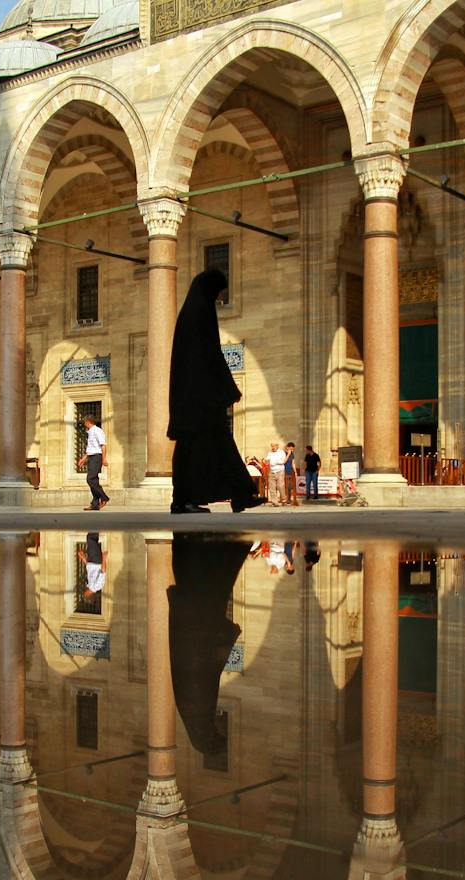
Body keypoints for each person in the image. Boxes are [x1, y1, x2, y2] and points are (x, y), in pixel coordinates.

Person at [167, 268, 265, 514]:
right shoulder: (199, 314)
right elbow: (209, 356)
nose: (221, 297)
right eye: (219, 291)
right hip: (198, 399)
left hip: (197, 398)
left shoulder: (194, 313)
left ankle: (240, 494)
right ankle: (184, 501)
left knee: (219, 444)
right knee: (197, 449)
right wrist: (227, 388)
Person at [168, 534, 249, 758]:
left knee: (209, 572)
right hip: (191, 617)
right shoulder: (191, 707)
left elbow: (207, 666)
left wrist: (225, 638)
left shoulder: (198, 705)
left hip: (199, 619)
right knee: (198, 570)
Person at [76, 415, 110, 510]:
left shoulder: (97, 431)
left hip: (97, 457)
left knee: (90, 479)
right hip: (91, 457)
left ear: (88, 422)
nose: (84, 424)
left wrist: (104, 459)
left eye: (84, 422)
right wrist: (84, 458)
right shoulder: (90, 432)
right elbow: (91, 448)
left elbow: (103, 445)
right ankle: (95, 504)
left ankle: (104, 497)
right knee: (94, 481)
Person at [78, 531, 106, 605]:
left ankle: (96, 527)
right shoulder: (98, 586)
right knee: (90, 539)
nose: (83, 592)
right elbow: (103, 572)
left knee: (92, 539)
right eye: (84, 594)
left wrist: (83, 558)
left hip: (91, 560)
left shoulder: (89, 585)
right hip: (96, 560)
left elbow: (90, 569)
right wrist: (104, 558)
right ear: (88, 594)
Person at [264, 442, 287, 506]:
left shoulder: (281, 452)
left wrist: (274, 462)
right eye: (271, 446)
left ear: (277, 446)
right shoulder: (270, 453)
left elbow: (283, 461)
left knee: (280, 486)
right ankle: (275, 502)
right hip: (271, 471)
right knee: (272, 487)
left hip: (280, 471)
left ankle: (283, 499)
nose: (272, 448)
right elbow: (267, 461)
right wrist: (266, 461)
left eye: (273, 446)